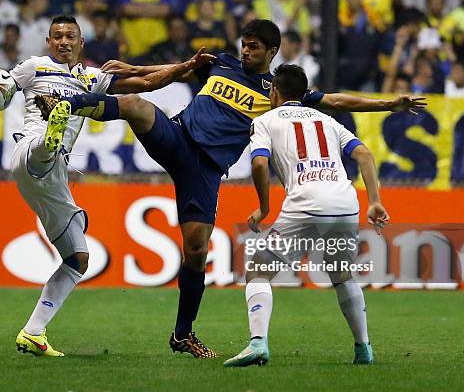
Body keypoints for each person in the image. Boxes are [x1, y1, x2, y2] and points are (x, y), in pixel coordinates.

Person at [37, 19, 426, 358]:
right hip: (179, 136)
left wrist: (388, 103)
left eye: (254, 46)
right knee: (137, 104)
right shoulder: (222, 63)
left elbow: (338, 100)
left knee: (196, 251)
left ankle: (182, 334)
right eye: (243, 43)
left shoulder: (279, 91)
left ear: (272, 51)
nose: (245, 50)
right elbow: (184, 69)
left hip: (204, 171)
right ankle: (67, 103)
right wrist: (134, 67)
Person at [0, 14, 214, 357]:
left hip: (53, 178)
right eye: (57, 36)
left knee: (78, 259)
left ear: (80, 42)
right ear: (48, 42)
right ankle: (53, 129)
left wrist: (187, 65)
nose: (63, 41)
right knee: (46, 146)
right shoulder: (34, 66)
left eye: (69, 36)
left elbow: (146, 83)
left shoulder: (92, 78)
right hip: (29, 152)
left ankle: (33, 332)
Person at [223, 64, 387, 367]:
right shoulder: (327, 120)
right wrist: (374, 201)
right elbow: (363, 153)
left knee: (258, 271)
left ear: (274, 91)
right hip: (345, 202)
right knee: (342, 274)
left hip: (307, 203)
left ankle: (257, 343)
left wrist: (264, 207)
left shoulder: (265, 120)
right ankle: (364, 349)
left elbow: (259, 164)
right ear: (304, 93)